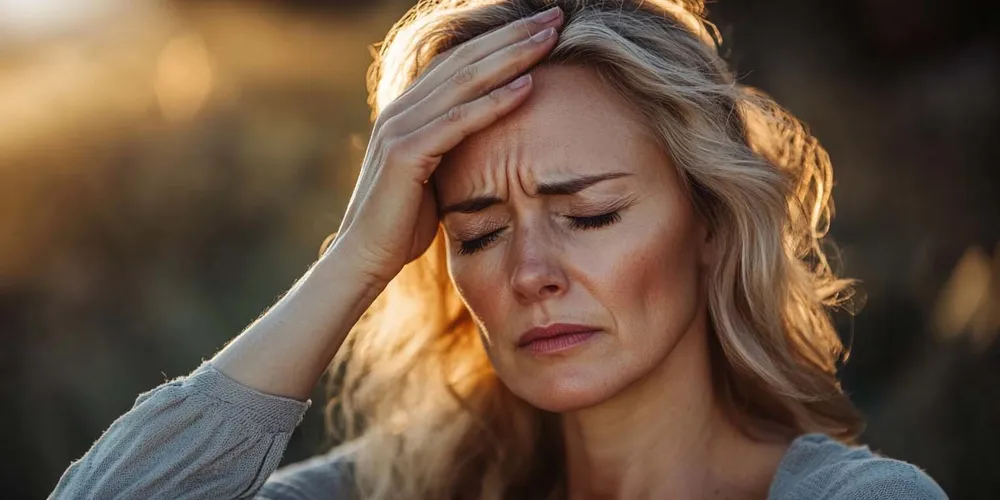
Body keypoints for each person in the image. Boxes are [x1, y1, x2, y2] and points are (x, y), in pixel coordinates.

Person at [50, 1, 948, 499]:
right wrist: (354, 257)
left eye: (590, 215)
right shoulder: (392, 492)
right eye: (476, 233)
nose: (529, 274)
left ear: (710, 223)